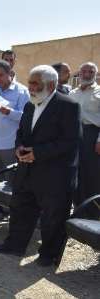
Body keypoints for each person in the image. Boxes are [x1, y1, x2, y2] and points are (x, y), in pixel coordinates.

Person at [0, 65, 81, 267]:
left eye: (35, 84)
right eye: (30, 82)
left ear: (50, 85)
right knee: (20, 207)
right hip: (27, 169)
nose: (30, 87)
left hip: (54, 174)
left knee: (53, 216)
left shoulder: (68, 106)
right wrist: (19, 148)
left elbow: (70, 142)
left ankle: (49, 256)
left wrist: (37, 153)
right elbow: (22, 132)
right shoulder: (31, 105)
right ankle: (15, 245)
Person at [0, 60, 29, 214]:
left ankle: (12, 208)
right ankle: (0, 205)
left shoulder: (21, 91)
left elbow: (25, 117)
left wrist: (8, 111)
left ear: (10, 73)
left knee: (11, 179)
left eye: (1, 75)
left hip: (9, 143)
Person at [69, 62, 100, 205]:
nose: (87, 74)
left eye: (91, 72)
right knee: (76, 171)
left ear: (96, 74)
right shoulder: (72, 93)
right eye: (84, 72)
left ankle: (93, 211)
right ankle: (78, 208)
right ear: (79, 74)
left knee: (92, 173)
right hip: (73, 135)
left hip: (92, 136)